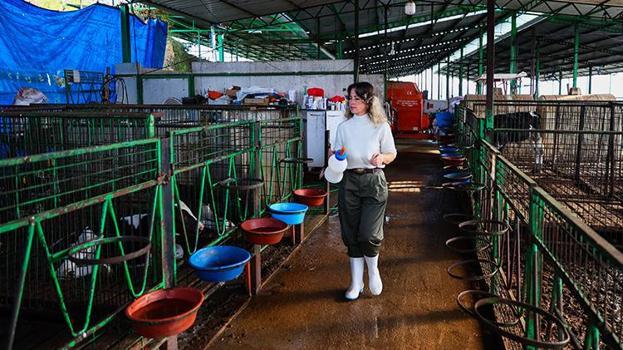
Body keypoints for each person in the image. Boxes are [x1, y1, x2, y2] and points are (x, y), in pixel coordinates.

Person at [332, 82, 397, 300]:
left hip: (373, 181)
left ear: (369, 101)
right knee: (350, 234)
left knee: (368, 234)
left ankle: (374, 271)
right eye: (350, 98)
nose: (352, 102)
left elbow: (391, 153)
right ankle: (355, 282)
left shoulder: (380, 126)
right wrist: (333, 159)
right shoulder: (343, 127)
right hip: (349, 181)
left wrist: (382, 158)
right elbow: (336, 154)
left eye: (357, 98)